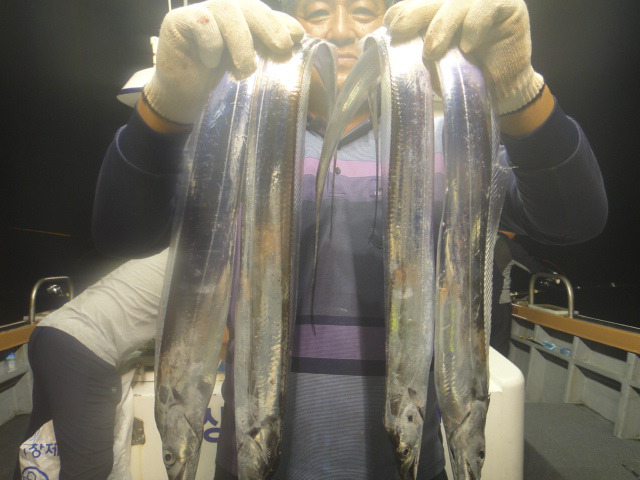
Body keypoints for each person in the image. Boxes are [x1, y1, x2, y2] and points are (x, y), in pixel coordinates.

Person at [91, 0, 608, 479]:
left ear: (393, 23)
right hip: (256, 464)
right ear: (288, 26)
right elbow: (121, 233)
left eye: (363, 10)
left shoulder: (448, 136)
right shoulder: (230, 137)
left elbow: (575, 219)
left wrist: (518, 86)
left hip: (411, 464)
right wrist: (166, 103)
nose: (340, 30)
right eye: (317, 12)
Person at [13, 250, 168, 480]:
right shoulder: (203, 262)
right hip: (84, 347)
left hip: (49, 334)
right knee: (90, 466)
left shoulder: (174, 253)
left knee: (39, 441)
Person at [490, 231, 546, 357]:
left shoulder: (480, 240)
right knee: (499, 350)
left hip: (475, 305)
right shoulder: (506, 244)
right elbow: (534, 268)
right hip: (498, 305)